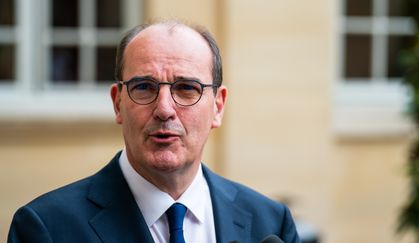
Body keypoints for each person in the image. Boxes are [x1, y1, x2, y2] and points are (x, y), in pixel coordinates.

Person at [8, 20, 300, 243]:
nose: (164, 109)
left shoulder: (271, 224)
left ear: (218, 106)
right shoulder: (47, 228)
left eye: (187, 89)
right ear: (117, 103)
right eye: (144, 87)